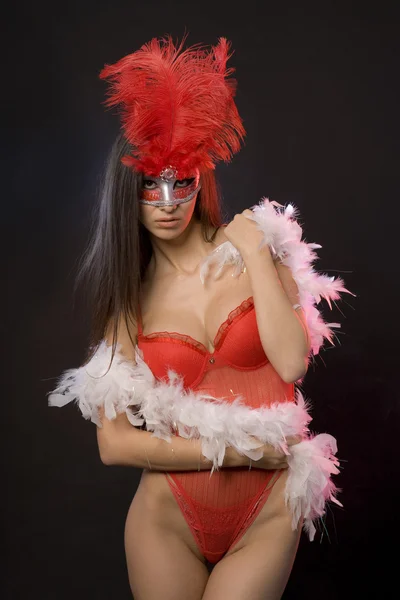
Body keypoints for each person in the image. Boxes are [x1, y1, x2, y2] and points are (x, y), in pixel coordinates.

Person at [49, 36, 353, 599]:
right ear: (128, 191)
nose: (166, 201)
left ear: (199, 181)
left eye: (179, 180)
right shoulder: (126, 297)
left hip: (266, 512)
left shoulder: (255, 251)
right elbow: (113, 443)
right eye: (150, 184)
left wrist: (257, 252)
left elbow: (290, 362)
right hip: (168, 516)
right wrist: (235, 451)